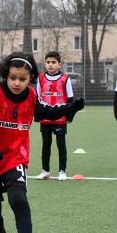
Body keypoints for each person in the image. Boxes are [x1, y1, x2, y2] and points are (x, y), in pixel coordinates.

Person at [0, 52, 84, 233]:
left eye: (23, 79)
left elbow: (46, 112)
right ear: (6, 74)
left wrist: (70, 108)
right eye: (13, 77)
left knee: (19, 199)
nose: (17, 83)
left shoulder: (32, 96)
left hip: (15, 158)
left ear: (30, 78)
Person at [34, 51, 75, 181]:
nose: (50, 65)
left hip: (60, 118)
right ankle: (45, 171)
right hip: (45, 119)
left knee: (61, 145)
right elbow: (37, 98)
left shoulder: (65, 78)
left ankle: (62, 171)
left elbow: (70, 99)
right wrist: (38, 115)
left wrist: (69, 116)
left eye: (53, 62)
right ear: (45, 64)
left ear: (59, 64)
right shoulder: (40, 78)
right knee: (46, 145)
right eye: (48, 62)